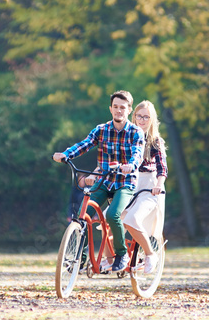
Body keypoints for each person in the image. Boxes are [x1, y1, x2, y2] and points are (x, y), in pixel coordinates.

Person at [54, 90, 144, 273]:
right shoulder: (101, 130)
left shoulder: (136, 132)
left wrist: (130, 165)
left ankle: (121, 254)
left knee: (112, 215)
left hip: (125, 182)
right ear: (110, 109)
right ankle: (81, 256)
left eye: (123, 108)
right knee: (83, 215)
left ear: (129, 110)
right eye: (116, 107)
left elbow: (137, 154)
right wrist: (66, 155)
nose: (119, 111)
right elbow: (84, 144)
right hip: (104, 181)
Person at [121, 100, 167, 275]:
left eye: (146, 117)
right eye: (139, 116)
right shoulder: (126, 138)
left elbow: (162, 167)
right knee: (108, 220)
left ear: (152, 120)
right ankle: (115, 258)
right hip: (128, 183)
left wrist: (159, 184)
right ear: (134, 117)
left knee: (131, 219)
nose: (142, 120)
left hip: (148, 186)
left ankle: (150, 254)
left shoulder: (155, 141)